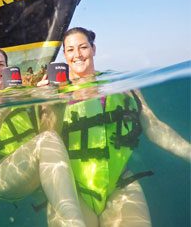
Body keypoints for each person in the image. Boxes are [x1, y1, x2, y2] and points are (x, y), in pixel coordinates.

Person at [40, 27, 191, 226]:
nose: (77, 54)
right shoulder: (53, 92)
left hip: (119, 183)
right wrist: (53, 102)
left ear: (93, 49)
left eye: (83, 47)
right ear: (65, 55)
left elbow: (154, 128)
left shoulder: (122, 85)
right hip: (71, 188)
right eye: (70, 50)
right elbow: (46, 139)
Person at [0, 47, 87, 226]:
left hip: (31, 167)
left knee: (50, 138)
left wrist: (54, 103)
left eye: (1, 64)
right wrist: (0, 112)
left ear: (7, 68)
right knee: (48, 140)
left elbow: (49, 132)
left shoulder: (23, 93)